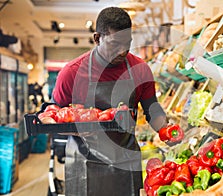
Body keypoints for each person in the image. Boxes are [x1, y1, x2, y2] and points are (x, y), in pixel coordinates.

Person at [51, 7, 170, 196]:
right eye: (115, 44)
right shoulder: (72, 73)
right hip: (84, 164)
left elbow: (152, 110)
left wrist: (166, 129)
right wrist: (77, 128)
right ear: (97, 38)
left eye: (128, 44)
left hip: (125, 161)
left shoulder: (140, 70)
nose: (123, 51)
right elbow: (52, 118)